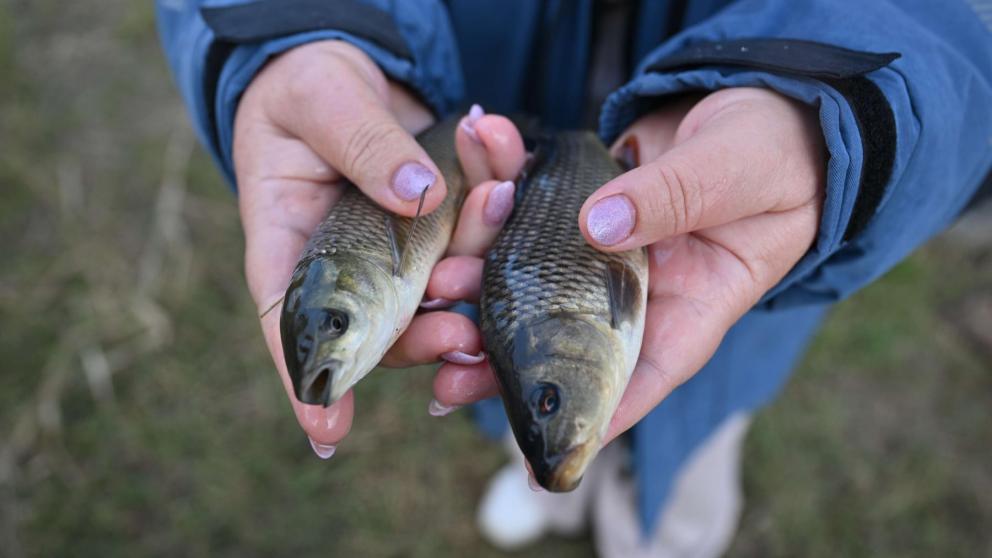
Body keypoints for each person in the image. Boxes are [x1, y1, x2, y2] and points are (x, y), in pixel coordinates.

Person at [157, 1, 992, 555]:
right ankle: (550, 485)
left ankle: (667, 526)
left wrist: (828, 112)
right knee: (508, 402)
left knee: (699, 419)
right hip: (495, 150)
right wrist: (294, 30)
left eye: (336, 321)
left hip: (726, 255)